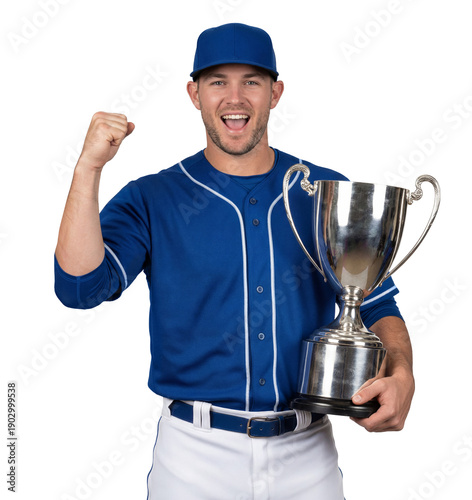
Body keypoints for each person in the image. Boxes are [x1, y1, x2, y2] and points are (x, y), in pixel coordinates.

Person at [54, 23, 415, 500]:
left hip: (307, 451)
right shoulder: (153, 198)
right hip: (193, 456)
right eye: (218, 82)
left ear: (276, 93)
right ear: (194, 94)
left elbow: (375, 303)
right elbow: (79, 287)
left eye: (252, 81)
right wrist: (88, 168)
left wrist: (403, 370)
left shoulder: (323, 191)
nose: (235, 98)